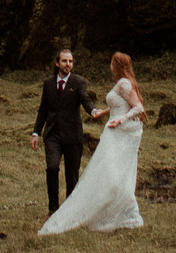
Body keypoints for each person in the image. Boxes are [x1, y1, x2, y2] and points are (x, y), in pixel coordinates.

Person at [38, 51, 147, 235]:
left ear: (118, 65)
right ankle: (69, 207)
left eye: (112, 63)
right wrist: (100, 113)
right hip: (111, 132)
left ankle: (121, 210)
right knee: (107, 171)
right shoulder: (121, 83)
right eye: (65, 60)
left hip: (117, 132)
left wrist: (120, 120)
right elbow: (116, 106)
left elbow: (138, 108)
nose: (110, 66)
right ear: (57, 63)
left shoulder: (123, 84)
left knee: (110, 172)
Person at [29, 47, 100, 213]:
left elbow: (85, 99)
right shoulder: (48, 84)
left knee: (72, 176)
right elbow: (43, 110)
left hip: (73, 136)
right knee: (52, 168)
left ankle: (69, 212)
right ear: (57, 63)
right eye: (64, 61)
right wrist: (35, 133)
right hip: (52, 134)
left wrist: (93, 111)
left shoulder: (78, 82)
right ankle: (53, 210)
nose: (68, 64)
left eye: (70, 61)